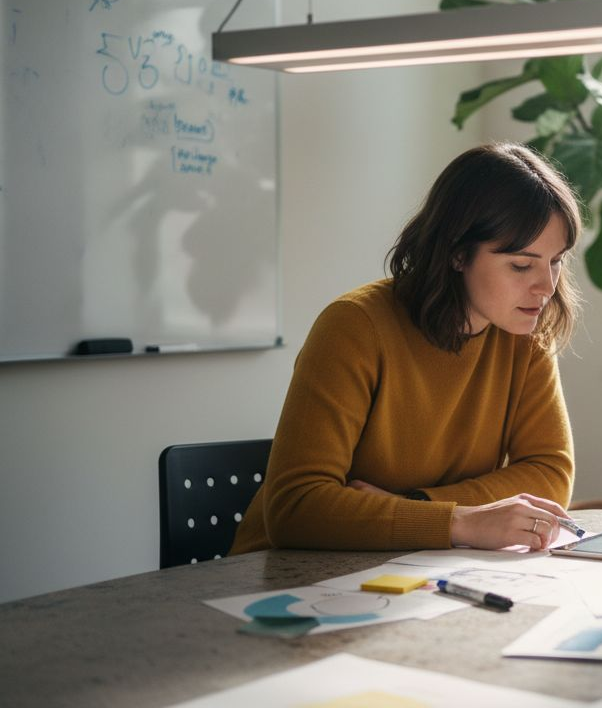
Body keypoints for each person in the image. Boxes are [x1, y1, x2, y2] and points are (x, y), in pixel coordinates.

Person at [232, 143, 582, 554]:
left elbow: (550, 473)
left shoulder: (526, 335)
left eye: (555, 261)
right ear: (456, 254)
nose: (546, 287)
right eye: (522, 265)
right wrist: (460, 521)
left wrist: (416, 507)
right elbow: (296, 507)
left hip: (413, 566)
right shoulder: (354, 327)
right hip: (281, 576)